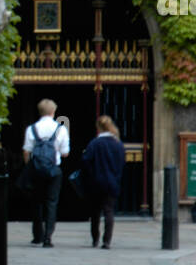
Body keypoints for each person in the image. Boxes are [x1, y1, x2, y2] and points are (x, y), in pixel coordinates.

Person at [22, 97, 70, 247]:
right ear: (53, 111)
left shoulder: (32, 129)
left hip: (36, 169)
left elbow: (26, 150)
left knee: (36, 202)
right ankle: (48, 237)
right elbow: (65, 152)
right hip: (53, 170)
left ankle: (38, 235)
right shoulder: (60, 129)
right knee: (51, 203)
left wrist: (30, 165)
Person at [81, 115, 127, 249]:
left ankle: (95, 239)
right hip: (112, 182)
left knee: (95, 212)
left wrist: (91, 174)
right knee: (109, 211)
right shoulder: (117, 144)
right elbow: (121, 163)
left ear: (99, 128)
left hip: (96, 182)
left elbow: (85, 161)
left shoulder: (94, 143)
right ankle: (107, 241)